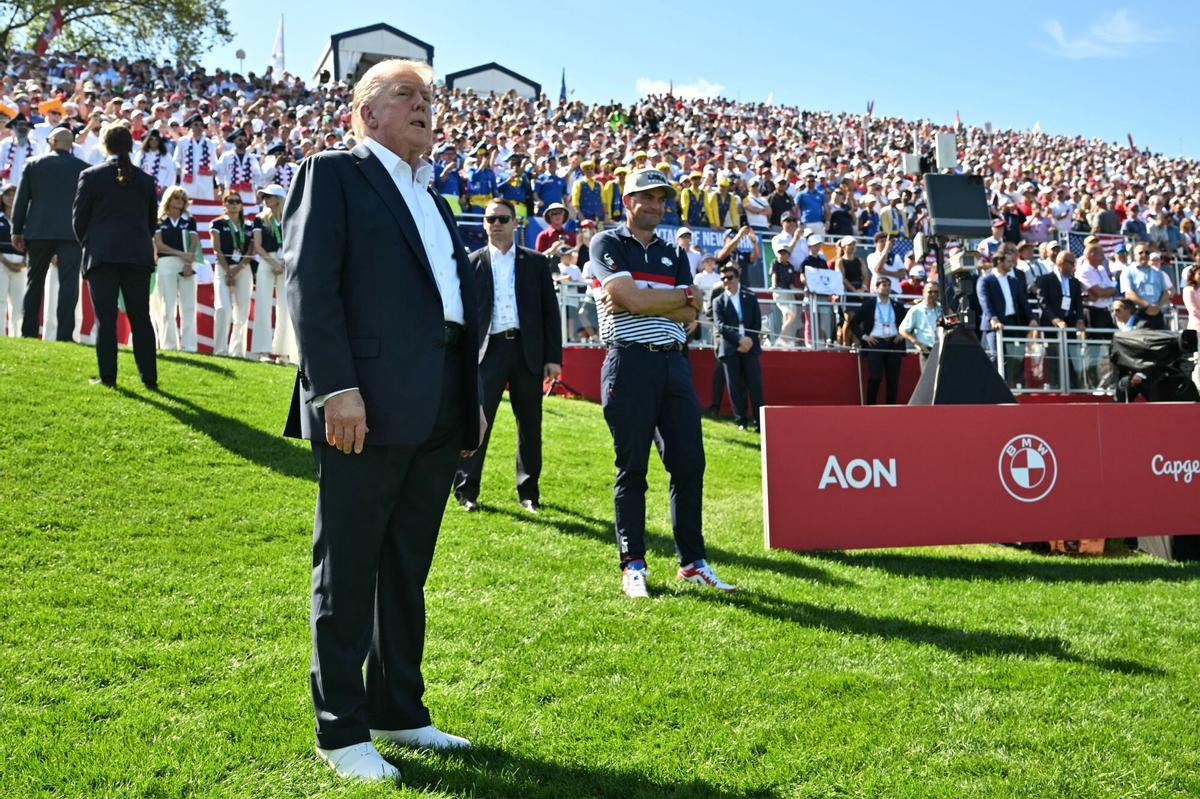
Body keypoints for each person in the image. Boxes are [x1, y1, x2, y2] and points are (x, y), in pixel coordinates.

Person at [281, 58, 484, 783]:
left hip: (439, 401)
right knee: (348, 566)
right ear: (367, 113)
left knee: (405, 566)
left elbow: (451, 307)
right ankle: (340, 729)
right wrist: (335, 386)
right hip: (362, 399)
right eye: (407, 96)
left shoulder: (435, 197)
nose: (425, 107)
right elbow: (311, 283)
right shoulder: (332, 173)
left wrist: (467, 404)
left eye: (429, 98)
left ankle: (399, 706)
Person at [590, 167, 736, 598]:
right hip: (628, 363)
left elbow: (693, 313)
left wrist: (647, 301)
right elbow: (631, 298)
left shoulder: (675, 252)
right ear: (627, 201)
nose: (654, 205)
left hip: (674, 365)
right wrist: (671, 299)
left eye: (660, 199)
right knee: (632, 468)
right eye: (645, 197)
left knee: (689, 464)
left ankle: (692, 562)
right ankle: (632, 564)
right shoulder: (607, 242)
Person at [454, 198, 562, 512]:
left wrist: (553, 357)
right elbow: (462, 316)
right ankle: (466, 490)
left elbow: (550, 313)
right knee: (476, 422)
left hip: (527, 352)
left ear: (516, 223)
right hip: (487, 352)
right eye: (491, 219)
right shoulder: (471, 263)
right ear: (484, 224)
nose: (497, 224)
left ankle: (529, 492)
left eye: (503, 218)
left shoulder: (536, 262)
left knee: (530, 424)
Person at [71, 123, 158, 388]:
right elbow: (151, 223)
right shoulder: (145, 180)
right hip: (137, 256)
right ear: (130, 146)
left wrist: (92, 243)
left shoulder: (91, 175)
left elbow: (79, 221)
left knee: (105, 319)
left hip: (102, 255)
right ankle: (149, 378)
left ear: (104, 145)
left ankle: (108, 377)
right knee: (141, 317)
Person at [11, 126, 88, 341]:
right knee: (69, 284)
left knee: (34, 283)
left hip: (39, 231)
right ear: (70, 143)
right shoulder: (84, 169)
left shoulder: (33, 164)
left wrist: (16, 230)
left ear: (52, 141)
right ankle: (65, 334)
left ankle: (28, 331)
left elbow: (21, 200)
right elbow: (89, 205)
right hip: (71, 233)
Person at [712, 265, 764, 431]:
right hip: (730, 348)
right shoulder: (718, 301)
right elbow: (720, 325)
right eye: (723, 279)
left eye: (729, 277)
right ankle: (741, 420)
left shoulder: (749, 297)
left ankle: (759, 422)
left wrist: (748, 340)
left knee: (755, 385)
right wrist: (739, 340)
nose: (727, 281)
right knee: (735, 387)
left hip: (750, 345)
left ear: (737, 278)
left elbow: (757, 322)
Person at [977, 252, 1038, 386]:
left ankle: (1014, 387)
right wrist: (993, 318)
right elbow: (985, 302)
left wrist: (1032, 318)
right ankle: (994, 388)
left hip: (1012, 323)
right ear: (999, 262)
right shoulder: (986, 280)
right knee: (996, 357)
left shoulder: (1013, 281)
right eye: (1009, 261)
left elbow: (1023, 302)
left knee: (1016, 357)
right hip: (994, 325)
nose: (1012, 264)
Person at [151, 185, 199, 352]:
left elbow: (193, 242)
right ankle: (169, 345)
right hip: (166, 264)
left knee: (189, 306)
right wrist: (181, 254)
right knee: (167, 305)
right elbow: (159, 245)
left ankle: (189, 346)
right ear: (168, 199)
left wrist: (188, 262)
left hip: (187, 264)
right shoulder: (159, 219)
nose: (179, 202)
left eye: (182, 199)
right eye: (176, 198)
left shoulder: (189, 220)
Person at [209, 190, 256, 357]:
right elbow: (217, 249)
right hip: (223, 268)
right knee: (223, 308)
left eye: (237, 201)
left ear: (241, 205)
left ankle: (236, 351)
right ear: (224, 204)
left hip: (243, 268)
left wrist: (238, 268)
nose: (234, 204)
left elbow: (252, 248)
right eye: (230, 201)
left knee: (242, 311)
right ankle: (220, 350)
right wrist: (228, 271)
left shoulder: (249, 225)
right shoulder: (217, 224)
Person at [1036, 250, 1088, 391]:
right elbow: (1043, 302)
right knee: (1054, 356)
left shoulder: (1074, 282)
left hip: (1069, 325)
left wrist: (1080, 319)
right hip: (1052, 326)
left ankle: (1074, 386)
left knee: (1071, 356)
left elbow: (1078, 303)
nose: (1074, 266)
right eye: (1071, 263)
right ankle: (1056, 385)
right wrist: (1055, 320)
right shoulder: (1045, 279)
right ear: (1060, 262)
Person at [852, 274, 908, 404]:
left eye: (889, 285)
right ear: (877, 288)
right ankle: (871, 406)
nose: (887, 288)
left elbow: (907, 323)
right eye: (884, 285)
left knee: (893, 379)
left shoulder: (897, 305)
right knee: (875, 377)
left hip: (893, 343)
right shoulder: (868, 305)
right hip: (876, 343)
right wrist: (864, 337)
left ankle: (891, 408)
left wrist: (902, 334)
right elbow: (853, 323)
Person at [251, 184, 290, 361]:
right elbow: (257, 246)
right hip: (267, 262)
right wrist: (273, 262)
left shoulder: (290, 218)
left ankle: (285, 351)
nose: (266, 200)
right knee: (263, 305)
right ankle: (262, 350)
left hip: (287, 262)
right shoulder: (259, 219)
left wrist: (284, 262)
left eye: (269, 196)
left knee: (286, 307)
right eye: (264, 196)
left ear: (279, 199)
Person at [1121, 243, 1171, 330]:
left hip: (1157, 312)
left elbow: (1165, 293)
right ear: (1134, 255)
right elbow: (1128, 293)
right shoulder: (1128, 271)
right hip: (1138, 313)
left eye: (1147, 252)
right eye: (1141, 253)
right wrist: (1148, 306)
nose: (1144, 255)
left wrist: (1157, 306)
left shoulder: (1158, 273)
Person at [0, 183, 25, 335]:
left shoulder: (23, 219)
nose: (11, 198)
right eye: (7, 194)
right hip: (2, 264)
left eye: (14, 194)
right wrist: (6, 261)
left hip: (20, 266)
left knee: (18, 304)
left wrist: (23, 263)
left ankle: (17, 336)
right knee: (0, 301)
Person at [899, 281, 940, 370]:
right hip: (927, 349)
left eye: (936, 292)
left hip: (942, 349)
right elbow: (902, 330)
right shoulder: (916, 309)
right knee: (929, 382)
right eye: (930, 292)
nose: (933, 294)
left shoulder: (942, 308)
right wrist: (917, 343)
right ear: (923, 292)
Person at [136, 128, 176, 196]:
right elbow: (135, 171)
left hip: (160, 193)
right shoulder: (141, 154)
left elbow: (171, 173)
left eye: (156, 139)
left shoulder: (166, 156)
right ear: (147, 140)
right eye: (151, 139)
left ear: (159, 141)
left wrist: (164, 189)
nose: (154, 141)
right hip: (143, 191)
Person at [1180, 267, 1200, 394]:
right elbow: (1193, 310)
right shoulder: (1188, 290)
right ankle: (1197, 387)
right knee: (1198, 359)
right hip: (1196, 329)